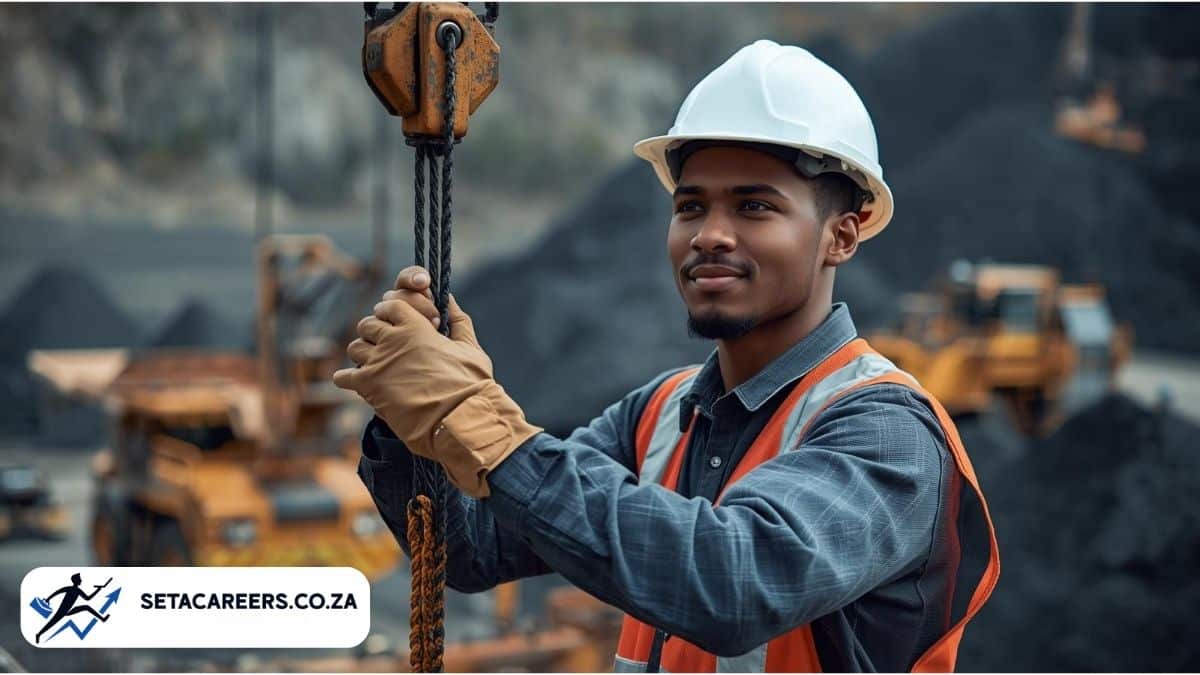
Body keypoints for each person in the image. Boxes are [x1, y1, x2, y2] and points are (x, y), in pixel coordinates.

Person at [334, 40, 998, 673]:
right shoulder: (660, 415)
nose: (710, 233)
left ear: (841, 236)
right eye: (691, 206)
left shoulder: (888, 433)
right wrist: (414, 412)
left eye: (755, 206)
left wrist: (480, 420)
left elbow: (734, 583)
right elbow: (472, 548)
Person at [36, 573, 111, 644]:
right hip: (63, 611)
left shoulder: (78, 591)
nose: (81, 580)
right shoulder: (70, 589)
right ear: (76, 581)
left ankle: (102, 618)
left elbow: (88, 598)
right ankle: (39, 634)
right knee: (51, 623)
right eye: (80, 579)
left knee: (86, 607)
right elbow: (57, 592)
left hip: (69, 610)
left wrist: (98, 589)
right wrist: (48, 599)